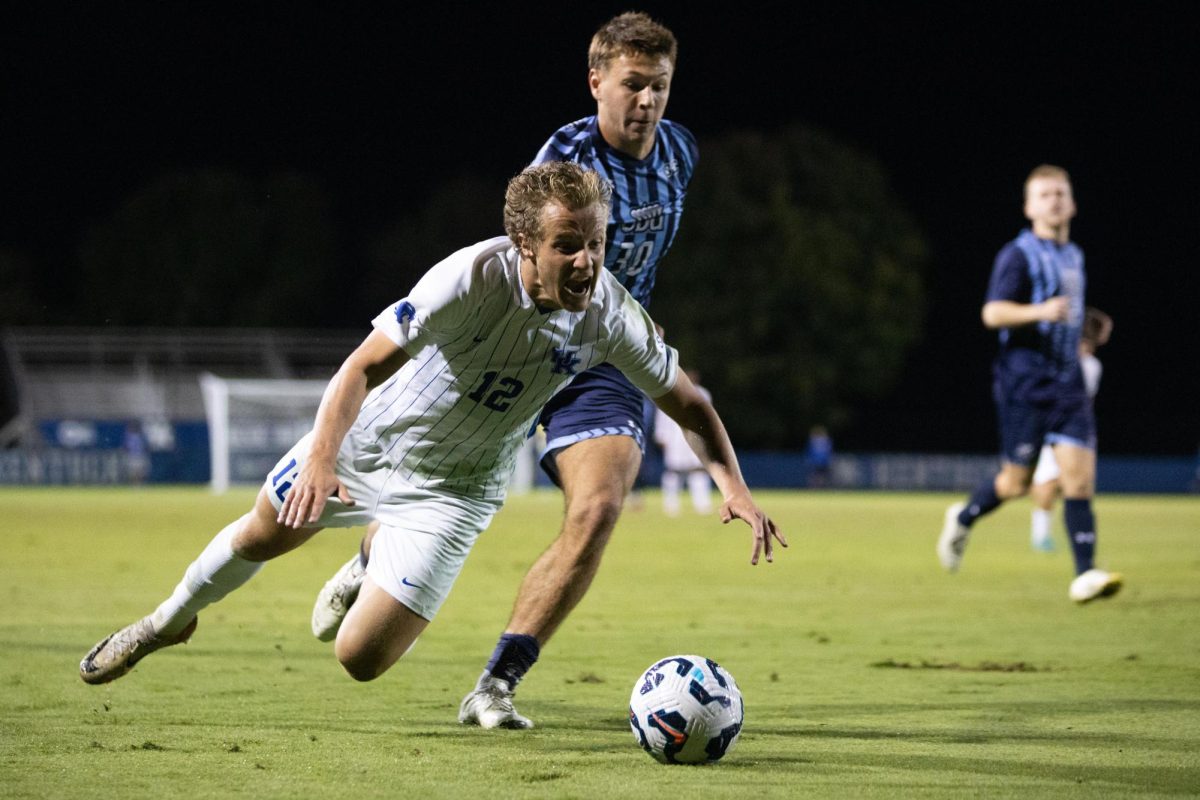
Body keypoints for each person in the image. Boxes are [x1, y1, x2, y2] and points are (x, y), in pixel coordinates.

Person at [78, 162, 785, 692]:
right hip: (370, 447)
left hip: (457, 492)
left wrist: (735, 486)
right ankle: (165, 622)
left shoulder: (611, 315)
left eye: (595, 242)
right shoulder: (468, 278)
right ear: (524, 243)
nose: (586, 261)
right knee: (263, 534)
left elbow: (689, 403)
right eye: (568, 244)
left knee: (359, 660)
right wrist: (324, 457)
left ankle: (367, 559)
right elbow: (359, 368)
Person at [310, 12, 704, 729]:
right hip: (530, 334)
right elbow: (539, 248)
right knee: (446, 479)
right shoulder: (568, 157)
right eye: (634, 85)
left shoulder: (681, 152)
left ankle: (496, 683)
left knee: (600, 507)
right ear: (597, 83)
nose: (648, 101)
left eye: (661, 86)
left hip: (601, 351)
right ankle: (377, 554)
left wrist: (635, 324)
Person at [936, 164, 1122, 603]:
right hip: (1025, 385)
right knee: (1016, 484)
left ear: (1073, 203)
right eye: (1045, 195)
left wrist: (1084, 327)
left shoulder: (1074, 255)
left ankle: (1085, 574)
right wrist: (1039, 312)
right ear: (1028, 207)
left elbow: (1065, 312)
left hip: (1068, 385)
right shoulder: (1017, 254)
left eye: (1061, 193)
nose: (1054, 200)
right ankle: (963, 515)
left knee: (1078, 481)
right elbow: (992, 313)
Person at [1029, 307, 1111, 551]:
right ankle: (1041, 533)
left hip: (1075, 429)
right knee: (1048, 481)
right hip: (1057, 428)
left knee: (1075, 485)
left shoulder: (1091, 364)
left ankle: (1069, 539)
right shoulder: (1072, 363)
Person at [654, 369, 713, 515]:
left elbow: (708, 418)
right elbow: (663, 418)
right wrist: (662, 436)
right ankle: (671, 504)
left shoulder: (703, 393)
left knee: (698, 471)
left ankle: (702, 503)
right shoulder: (669, 393)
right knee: (674, 471)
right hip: (675, 439)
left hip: (696, 438)